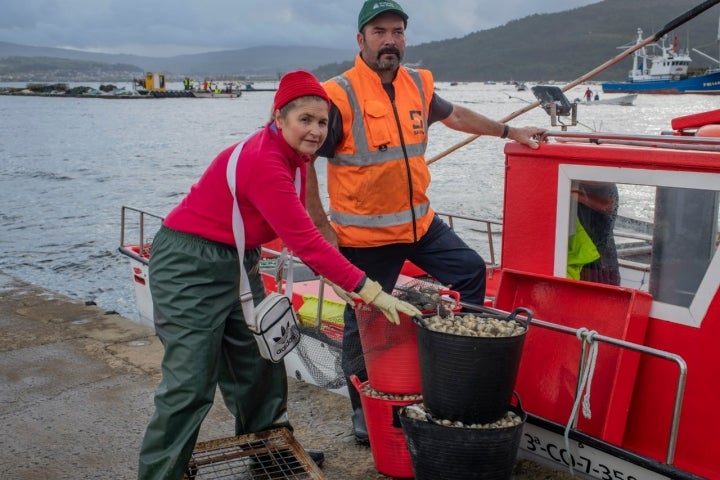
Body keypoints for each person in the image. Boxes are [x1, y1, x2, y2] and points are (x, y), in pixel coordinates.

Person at [137, 70, 421, 479]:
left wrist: (343, 276)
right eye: (305, 119)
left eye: (322, 122)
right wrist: (368, 289)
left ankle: (267, 451)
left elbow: (310, 223)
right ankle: (161, 472)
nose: (315, 130)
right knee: (190, 381)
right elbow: (305, 242)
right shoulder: (265, 162)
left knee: (259, 362)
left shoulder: (298, 160)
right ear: (279, 117)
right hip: (189, 265)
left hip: (238, 260)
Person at [305, 0, 546, 444]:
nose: (390, 40)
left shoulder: (418, 82)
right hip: (366, 235)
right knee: (364, 321)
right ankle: (363, 409)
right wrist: (321, 230)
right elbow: (302, 159)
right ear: (361, 40)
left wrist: (511, 133)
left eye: (397, 31)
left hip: (420, 224)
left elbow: (455, 116)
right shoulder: (337, 95)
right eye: (379, 32)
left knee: (470, 271)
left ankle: (454, 370)